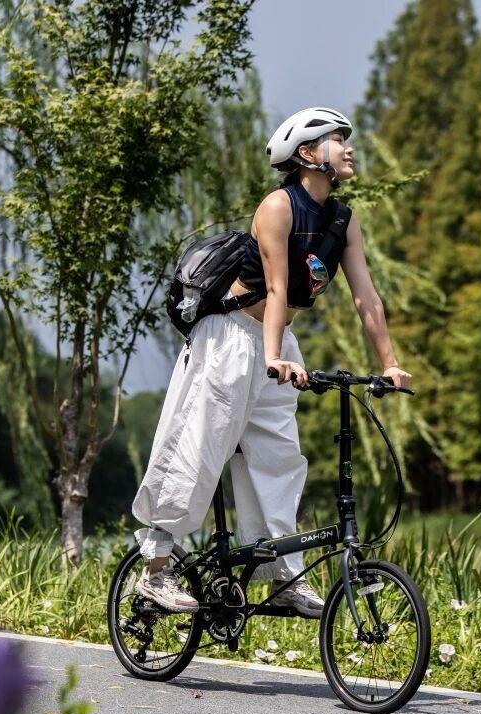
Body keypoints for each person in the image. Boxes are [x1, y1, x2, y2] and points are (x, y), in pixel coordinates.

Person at [130, 107, 413, 615]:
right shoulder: (278, 207)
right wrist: (274, 355)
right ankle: (155, 568)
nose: (349, 148)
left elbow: (366, 297)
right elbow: (278, 287)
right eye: (338, 140)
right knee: (198, 445)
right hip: (231, 337)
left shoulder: (343, 220)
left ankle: (281, 574)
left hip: (276, 341)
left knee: (280, 458)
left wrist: (390, 365)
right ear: (308, 153)